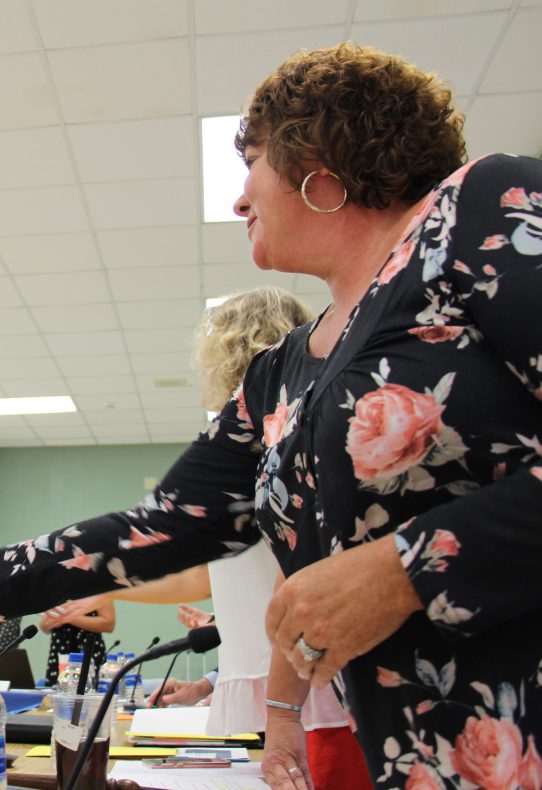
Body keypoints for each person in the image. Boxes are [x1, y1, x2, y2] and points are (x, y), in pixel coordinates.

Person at [0, 43, 542, 790]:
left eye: (251, 165)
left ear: (318, 163)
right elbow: (170, 521)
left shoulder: (480, 207)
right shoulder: (283, 371)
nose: (239, 200)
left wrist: (405, 569)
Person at [55, 290, 370, 790]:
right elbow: (205, 571)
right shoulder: (253, 448)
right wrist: (109, 590)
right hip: (281, 688)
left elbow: (301, 575)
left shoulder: (290, 440)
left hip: (314, 696)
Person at [39, 599, 116, 687]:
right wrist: (50, 621)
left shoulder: (98, 587)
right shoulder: (58, 588)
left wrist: (68, 617)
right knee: (55, 693)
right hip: (60, 653)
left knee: (88, 690)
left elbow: (109, 623)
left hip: (88, 652)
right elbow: (43, 626)